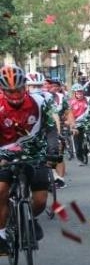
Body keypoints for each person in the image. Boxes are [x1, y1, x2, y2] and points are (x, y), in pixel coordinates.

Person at [0, 65, 60, 254]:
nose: (15, 94)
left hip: (36, 153)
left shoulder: (41, 101)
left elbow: (51, 129)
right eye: (10, 91)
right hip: (5, 154)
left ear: (25, 86)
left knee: (41, 200)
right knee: (1, 190)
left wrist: (52, 150)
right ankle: (1, 234)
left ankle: (28, 218)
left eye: (18, 89)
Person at [47, 77, 74, 189]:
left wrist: (72, 124)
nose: (52, 88)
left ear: (58, 88)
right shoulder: (42, 97)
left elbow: (69, 112)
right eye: (50, 85)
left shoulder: (62, 98)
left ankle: (61, 179)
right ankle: (50, 175)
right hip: (45, 129)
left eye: (55, 86)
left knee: (58, 155)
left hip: (60, 128)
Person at [69, 84, 90, 165]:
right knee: (78, 142)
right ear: (74, 94)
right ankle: (80, 159)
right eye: (78, 93)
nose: (80, 95)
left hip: (87, 122)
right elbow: (69, 115)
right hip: (76, 123)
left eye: (81, 93)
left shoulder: (88, 100)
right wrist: (72, 125)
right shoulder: (71, 102)